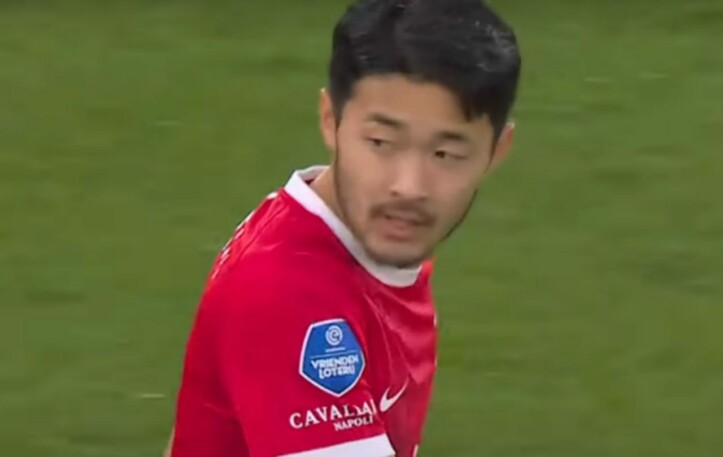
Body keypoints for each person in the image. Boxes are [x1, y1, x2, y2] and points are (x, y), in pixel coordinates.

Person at [165, 0, 521, 455]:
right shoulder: (286, 290)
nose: (408, 186)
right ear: (330, 120)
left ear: (496, 151)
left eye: (445, 154)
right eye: (381, 142)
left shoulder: (359, 244)